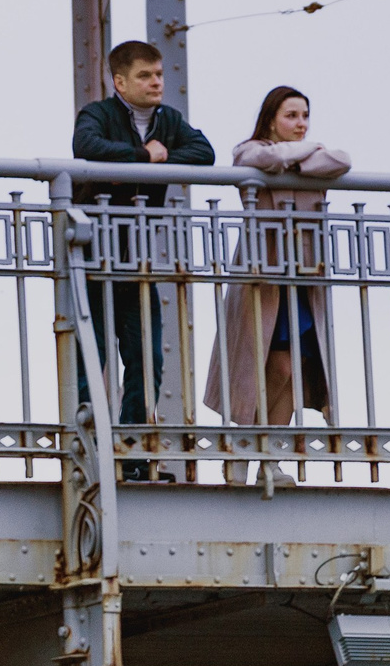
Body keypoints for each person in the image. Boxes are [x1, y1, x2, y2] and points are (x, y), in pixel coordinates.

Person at [70, 42, 215, 470]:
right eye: (145, 77)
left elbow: (204, 153)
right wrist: (141, 157)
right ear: (120, 82)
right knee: (91, 354)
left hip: (136, 259)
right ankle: (91, 449)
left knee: (146, 354)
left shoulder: (168, 121)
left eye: (158, 75)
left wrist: (158, 156)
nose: (156, 83)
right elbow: (87, 147)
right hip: (93, 256)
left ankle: (130, 452)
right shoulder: (97, 114)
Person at [207, 86, 350, 457]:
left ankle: (268, 457)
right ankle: (247, 450)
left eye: (305, 116)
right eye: (291, 116)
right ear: (271, 119)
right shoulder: (250, 149)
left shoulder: (304, 156)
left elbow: (340, 160)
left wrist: (291, 159)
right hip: (264, 276)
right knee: (272, 367)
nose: (300, 124)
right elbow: (250, 159)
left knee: (295, 366)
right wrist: (296, 156)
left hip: (303, 278)